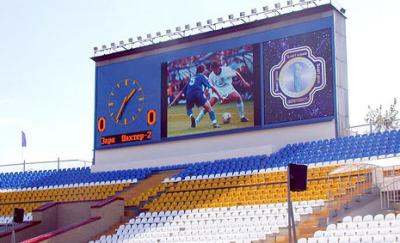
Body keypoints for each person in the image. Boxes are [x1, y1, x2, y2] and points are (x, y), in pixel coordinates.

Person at [169, 64, 225, 128]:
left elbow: (181, 91)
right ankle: (215, 123)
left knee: (189, 109)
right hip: (198, 94)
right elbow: (212, 88)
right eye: (205, 70)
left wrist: (173, 102)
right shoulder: (202, 77)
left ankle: (191, 116)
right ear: (203, 71)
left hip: (189, 95)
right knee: (209, 108)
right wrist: (220, 96)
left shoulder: (191, 78)